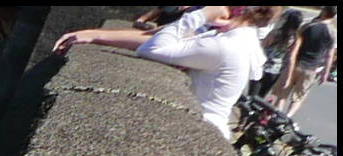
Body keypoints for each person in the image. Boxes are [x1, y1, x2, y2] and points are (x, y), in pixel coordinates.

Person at [58, 5, 285, 137]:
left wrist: (200, 16)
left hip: (199, 132)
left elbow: (153, 48)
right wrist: (95, 35)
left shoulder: (226, 45)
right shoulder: (236, 38)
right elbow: (160, 37)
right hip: (203, 129)